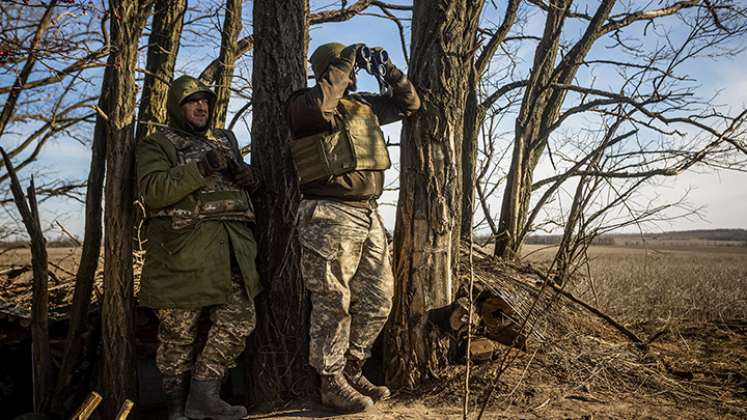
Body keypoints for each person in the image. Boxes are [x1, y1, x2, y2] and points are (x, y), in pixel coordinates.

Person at [285, 42, 420, 413]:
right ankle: (330, 382)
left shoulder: (363, 106)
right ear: (329, 70)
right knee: (333, 301)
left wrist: (390, 70)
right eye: (345, 67)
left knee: (379, 297)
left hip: (367, 213)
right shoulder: (305, 103)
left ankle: (352, 367)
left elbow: (409, 105)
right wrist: (345, 60)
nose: (353, 71)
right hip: (328, 212)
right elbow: (319, 105)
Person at [135, 75, 261, 420]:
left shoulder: (225, 139)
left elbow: (242, 186)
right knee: (178, 337)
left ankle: (204, 395)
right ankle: (175, 410)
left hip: (233, 252)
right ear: (178, 107)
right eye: (192, 100)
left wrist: (248, 178)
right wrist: (200, 168)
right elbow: (154, 191)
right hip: (183, 254)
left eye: (205, 100)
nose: (201, 105)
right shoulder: (156, 144)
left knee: (239, 321)